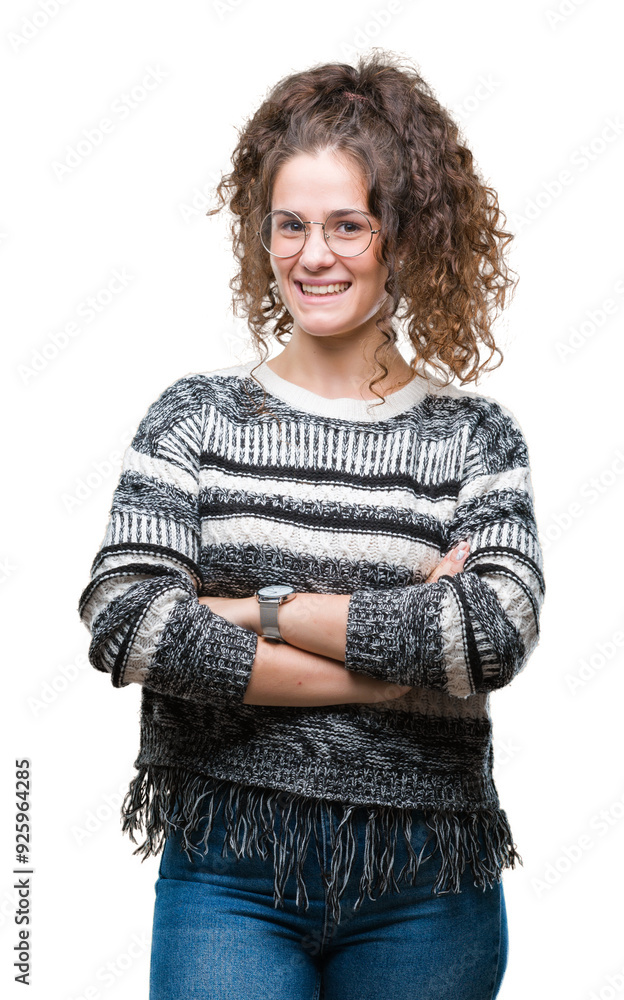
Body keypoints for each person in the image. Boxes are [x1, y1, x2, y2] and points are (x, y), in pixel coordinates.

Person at [77, 49, 546, 1000]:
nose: (313, 255)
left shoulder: (475, 439)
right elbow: (128, 620)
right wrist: (389, 673)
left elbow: (490, 633)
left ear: (405, 238)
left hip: (428, 883)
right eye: (290, 225)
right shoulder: (194, 418)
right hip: (227, 873)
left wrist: (255, 609)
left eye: (347, 225)